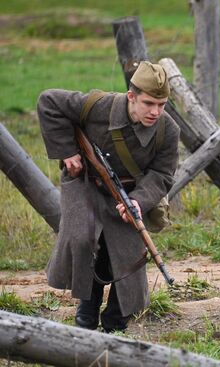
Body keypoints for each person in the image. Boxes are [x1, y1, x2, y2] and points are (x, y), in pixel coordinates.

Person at [37, 61, 180, 332]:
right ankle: (86, 313)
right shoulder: (98, 105)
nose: (155, 112)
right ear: (131, 96)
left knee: (128, 254)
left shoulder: (168, 130)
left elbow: (162, 174)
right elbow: (49, 102)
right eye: (149, 103)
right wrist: (67, 151)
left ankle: (115, 322)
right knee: (82, 239)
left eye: (161, 105)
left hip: (128, 193)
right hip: (86, 183)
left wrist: (139, 200)